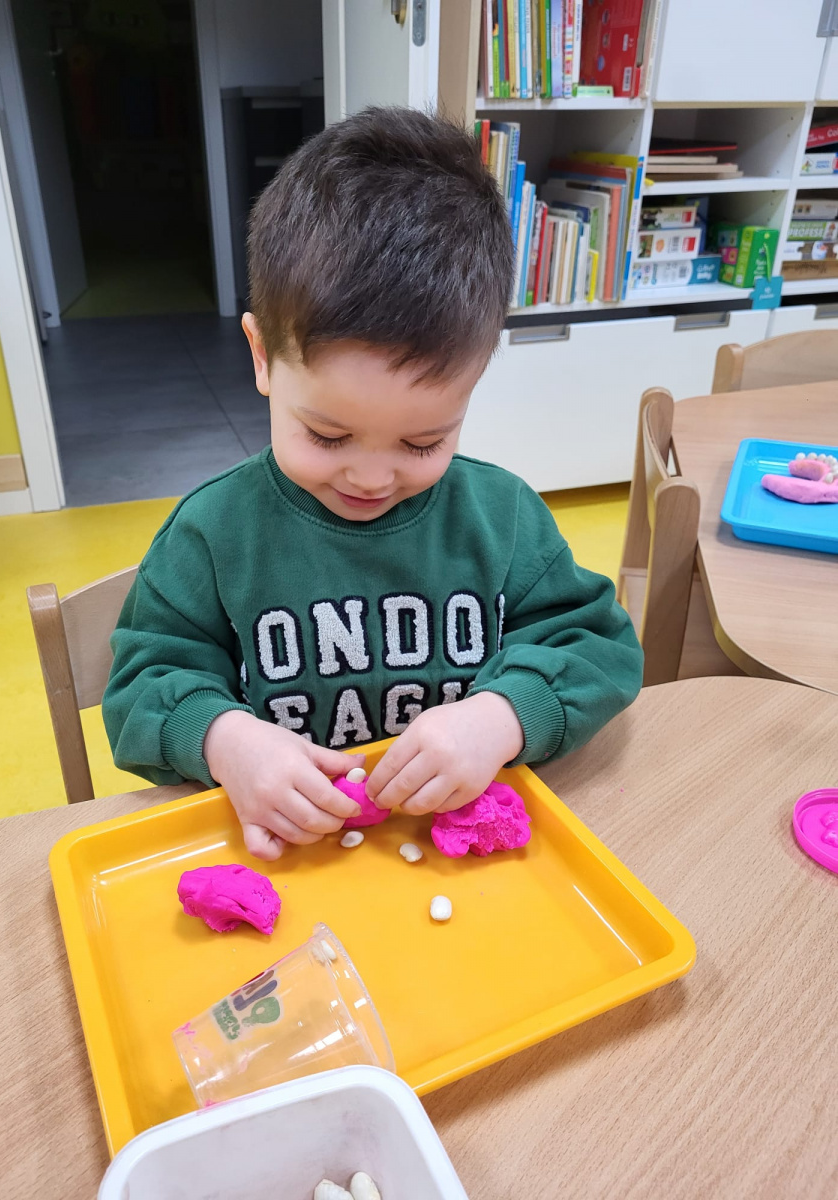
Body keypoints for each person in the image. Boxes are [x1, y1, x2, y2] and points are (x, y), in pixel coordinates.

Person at [103, 106, 643, 860]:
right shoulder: (212, 534)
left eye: (424, 442)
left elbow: (598, 648)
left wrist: (501, 718)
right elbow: (142, 688)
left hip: (452, 870)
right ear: (261, 357)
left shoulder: (504, 520)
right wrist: (225, 741)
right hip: (289, 863)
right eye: (327, 436)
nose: (371, 476)